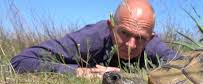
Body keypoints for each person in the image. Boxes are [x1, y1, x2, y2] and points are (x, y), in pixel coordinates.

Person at [10, 0, 180, 78]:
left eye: (140, 38)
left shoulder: (153, 45)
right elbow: (21, 61)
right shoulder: (91, 38)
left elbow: (184, 66)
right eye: (124, 33)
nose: (130, 44)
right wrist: (78, 72)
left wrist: (131, 76)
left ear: (151, 37)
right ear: (111, 25)